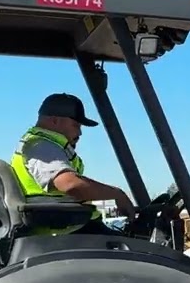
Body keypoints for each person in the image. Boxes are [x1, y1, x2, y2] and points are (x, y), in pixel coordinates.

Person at [11, 93, 135, 235]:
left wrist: (116, 205)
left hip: (67, 227)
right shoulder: (41, 146)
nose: (80, 132)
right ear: (55, 121)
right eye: (76, 125)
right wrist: (117, 195)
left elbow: (73, 194)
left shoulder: (45, 146)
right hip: (62, 232)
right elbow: (70, 184)